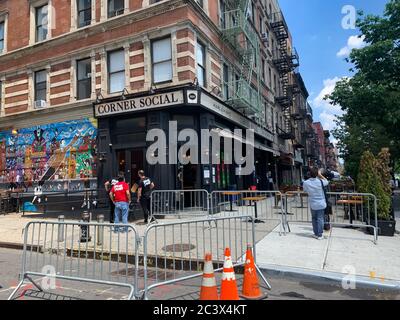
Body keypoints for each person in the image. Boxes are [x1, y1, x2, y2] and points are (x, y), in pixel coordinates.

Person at [302, 167, 329, 240]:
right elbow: (327, 181)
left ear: (309, 174)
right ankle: (320, 235)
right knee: (320, 219)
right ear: (317, 174)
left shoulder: (306, 182)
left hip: (313, 204)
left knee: (314, 218)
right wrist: (320, 175)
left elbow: (304, 191)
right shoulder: (320, 181)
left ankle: (316, 233)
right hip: (321, 203)